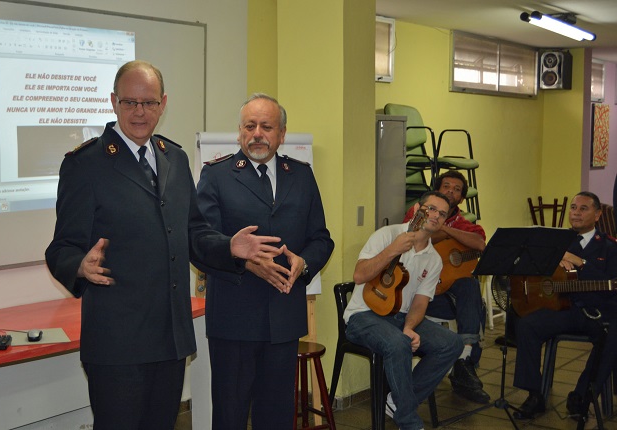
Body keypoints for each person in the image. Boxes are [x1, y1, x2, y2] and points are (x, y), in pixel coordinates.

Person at [45, 61, 282, 430]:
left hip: (169, 340)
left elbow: (194, 234)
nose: (140, 112)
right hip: (117, 344)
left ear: (162, 103)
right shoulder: (86, 164)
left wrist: (229, 248)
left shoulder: (175, 157)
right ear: (113, 102)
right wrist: (79, 265)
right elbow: (61, 248)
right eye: (129, 103)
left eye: (149, 103)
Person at [195, 93, 334, 429]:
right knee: (230, 415)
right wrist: (245, 260)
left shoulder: (300, 175)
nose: (257, 133)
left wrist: (304, 262)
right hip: (233, 319)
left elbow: (321, 238)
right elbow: (201, 241)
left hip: (283, 318)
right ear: (240, 132)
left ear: (281, 134)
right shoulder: (216, 175)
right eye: (250, 126)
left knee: (276, 415)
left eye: (266, 126)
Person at [343, 190, 463, 430]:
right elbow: (359, 276)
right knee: (399, 344)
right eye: (431, 208)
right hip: (362, 315)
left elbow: (420, 302)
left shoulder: (434, 259)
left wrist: (410, 327)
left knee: (452, 344)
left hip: (399, 317)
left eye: (442, 213)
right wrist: (393, 250)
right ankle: (409, 422)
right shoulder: (387, 235)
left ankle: (396, 402)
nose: (435, 216)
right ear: (418, 208)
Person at [513, 191, 617, 420]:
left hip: (598, 313)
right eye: (573, 207)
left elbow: (610, 284)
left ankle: (581, 396)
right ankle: (534, 394)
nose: (576, 213)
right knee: (527, 325)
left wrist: (581, 262)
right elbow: (530, 271)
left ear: (598, 215)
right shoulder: (556, 242)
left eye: (583, 208)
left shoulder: (610, 247)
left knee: (613, 337)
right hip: (562, 308)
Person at [397, 171, 490, 404]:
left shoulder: (466, 224)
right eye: (446, 185)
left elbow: (480, 245)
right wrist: (438, 227)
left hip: (447, 295)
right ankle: (465, 366)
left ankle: (464, 359)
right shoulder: (419, 212)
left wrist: (446, 229)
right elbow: (415, 235)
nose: (450, 190)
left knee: (469, 287)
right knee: (472, 302)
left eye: (456, 189)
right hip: (417, 295)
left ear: (461, 198)